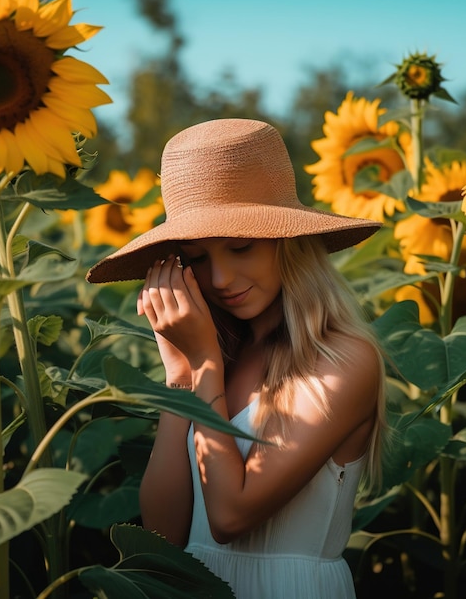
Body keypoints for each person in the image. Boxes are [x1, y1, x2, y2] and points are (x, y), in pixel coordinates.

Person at [86, 118, 389, 598]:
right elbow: (163, 535)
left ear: (290, 241)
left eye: (241, 246)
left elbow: (231, 516)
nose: (221, 278)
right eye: (198, 258)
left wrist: (204, 362)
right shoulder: (221, 356)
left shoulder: (342, 358)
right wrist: (180, 377)